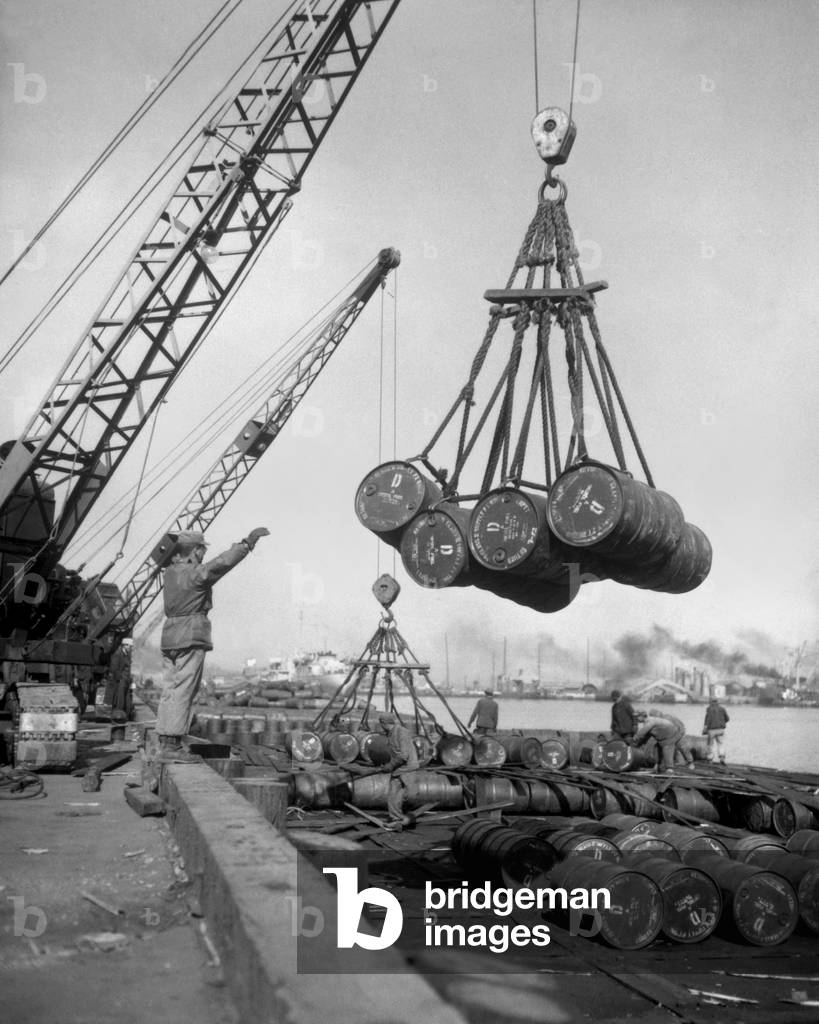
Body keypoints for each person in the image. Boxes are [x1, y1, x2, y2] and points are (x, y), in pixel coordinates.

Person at [155, 527, 269, 763]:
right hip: (189, 635)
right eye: (201, 550)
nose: (203, 555)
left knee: (170, 689)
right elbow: (221, 564)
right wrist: (246, 544)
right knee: (184, 690)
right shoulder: (195, 574)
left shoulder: (170, 573)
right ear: (195, 551)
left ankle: (166, 740)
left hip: (169, 637)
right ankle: (172, 747)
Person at [376, 712, 420, 822]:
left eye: (381, 724)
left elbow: (404, 756)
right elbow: (394, 753)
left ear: (383, 723)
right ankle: (395, 817)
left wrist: (390, 766)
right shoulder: (390, 733)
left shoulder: (402, 732)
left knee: (410, 794)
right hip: (398, 768)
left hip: (408, 768)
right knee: (393, 793)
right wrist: (386, 764)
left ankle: (402, 815)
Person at [703, 696, 729, 764]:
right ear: (717, 702)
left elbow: (707, 719)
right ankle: (722, 758)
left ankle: (710, 759)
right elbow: (727, 719)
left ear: (711, 702)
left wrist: (705, 727)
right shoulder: (722, 708)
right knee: (721, 744)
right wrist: (722, 722)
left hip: (711, 730)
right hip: (721, 730)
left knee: (710, 745)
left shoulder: (709, 709)